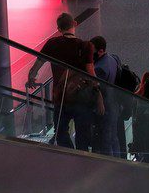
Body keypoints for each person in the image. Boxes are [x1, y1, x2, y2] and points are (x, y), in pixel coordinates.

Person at [26, 12, 96, 151]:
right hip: (81, 97)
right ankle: (82, 160)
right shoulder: (85, 46)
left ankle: (69, 155)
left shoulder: (52, 43)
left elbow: (37, 64)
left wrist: (31, 77)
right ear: (74, 24)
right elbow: (91, 72)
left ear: (59, 29)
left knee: (61, 131)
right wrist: (97, 90)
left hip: (61, 96)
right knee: (82, 134)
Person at [91, 35, 123, 157]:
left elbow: (96, 89)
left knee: (105, 140)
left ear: (100, 51)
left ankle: (108, 166)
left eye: (92, 51)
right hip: (114, 105)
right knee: (113, 138)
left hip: (105, 107)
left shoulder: (99, 68)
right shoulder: (113, 59)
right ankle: (118, 164)